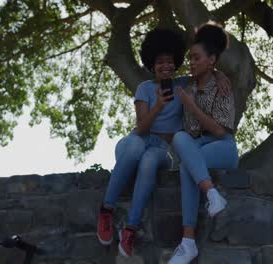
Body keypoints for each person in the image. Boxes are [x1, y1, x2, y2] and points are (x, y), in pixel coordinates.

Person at [96, 27, 232, 258]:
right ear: (152, 64)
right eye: (160, 62)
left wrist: (220, 75)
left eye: (170, 61)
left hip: (160, 149)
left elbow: (205, 69)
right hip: (136, 141)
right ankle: (106, 210)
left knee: (149, 161)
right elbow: (140, 128)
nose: (166, 66)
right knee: (139, 147)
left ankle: (131, 228)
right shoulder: (144, 89)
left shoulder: (182, 85)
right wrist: (158, 105)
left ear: (176, 62)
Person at [168, 23, 239, 264]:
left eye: (197, 58)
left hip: (223, 147)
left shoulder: (223, 87)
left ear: (211, 60)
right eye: (190, 58)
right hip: (196, 149)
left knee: (188, 163)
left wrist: (191, 106)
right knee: (180, 139)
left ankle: (188, 242)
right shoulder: (185, 86)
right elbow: (159, 76)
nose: (191, 62)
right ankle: (211, 195)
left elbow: (220, 130)